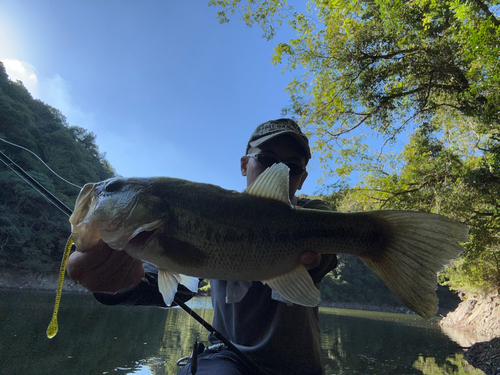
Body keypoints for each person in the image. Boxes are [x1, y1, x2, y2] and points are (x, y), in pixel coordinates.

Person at [66, 118, 337, 375]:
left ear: (302, 178)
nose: (280, 170)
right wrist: (118, 284)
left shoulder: (313, 212)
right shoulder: (211, 212)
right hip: (226, 358)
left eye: (293, 166)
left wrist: (319, 254)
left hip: (301, 366)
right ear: (244, 165)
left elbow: (326, 256)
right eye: (267, 159)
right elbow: (171, 286)